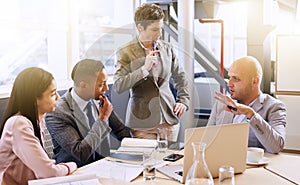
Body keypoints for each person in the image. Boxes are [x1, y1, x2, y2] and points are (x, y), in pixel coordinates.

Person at [113, 3, 190, 141]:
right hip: (142, 123)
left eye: (160, 28)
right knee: (147, 162)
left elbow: (181, 77)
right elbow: (119, 85)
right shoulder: (125, 51)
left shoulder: (167, 48)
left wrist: (183, 101)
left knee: (168, 161)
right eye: (155, 29)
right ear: (140, 27)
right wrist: (144, 69)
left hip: (169, 119)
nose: (159, 34)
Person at [45, 59, 132, 167]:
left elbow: (121, 131)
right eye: (101, 84)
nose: (106, 88)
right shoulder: (57, 113)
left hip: (104, 166)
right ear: (83, 85)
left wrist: (135, 153)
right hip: (76, 173)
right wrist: (102, 119)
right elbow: (80, 152)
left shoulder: (99, 100)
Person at [0, 67, 77, 185]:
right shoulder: (18, 124)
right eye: (52, 94)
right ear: (35, 99)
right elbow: (49, 173)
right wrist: (71, 166)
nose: (58, 97)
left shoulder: (37, 121)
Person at [207, 56, 286, 154]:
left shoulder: (274, 107)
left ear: (254, 81)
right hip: (223, 165)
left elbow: (276, 147)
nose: (229, 84)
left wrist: (251, 114)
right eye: (229, 77)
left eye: (236, 79)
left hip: (254, 168)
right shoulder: (221, 103)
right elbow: (207, 139)